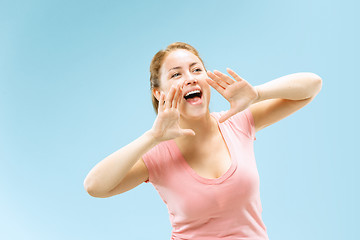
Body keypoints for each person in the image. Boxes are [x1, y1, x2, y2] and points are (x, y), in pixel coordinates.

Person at [83, 42, 322, 239]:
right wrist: (152, 137)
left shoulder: (237, 122)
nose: (190, 79)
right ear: (159, 93)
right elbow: (95, 186)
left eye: (196, 70)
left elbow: (312, 85)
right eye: (176, 74)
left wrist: (258, 94)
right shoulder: (156, 154)